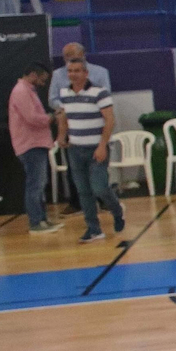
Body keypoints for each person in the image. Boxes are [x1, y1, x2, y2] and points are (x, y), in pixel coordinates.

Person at [56, 58, 125, 243]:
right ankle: (94, 229)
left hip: (96, 149)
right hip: (75, 149)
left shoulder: (100, 93)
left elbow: (110, 120)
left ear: (86, 73)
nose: (73, 74)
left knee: (100, 187)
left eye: (77, 70)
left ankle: (117, 210)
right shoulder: (64, 93)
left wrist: (102, 145)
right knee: (83, 191)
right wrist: (61, 135)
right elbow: (64, 116)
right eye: (70, 71)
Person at [9, 63, 60, 235]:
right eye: (42, 79)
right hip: (30, 144)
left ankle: (42, 219)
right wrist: (51, 118)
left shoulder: (28, 90)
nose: (43, 83)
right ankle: (36, 222)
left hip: (36, 142)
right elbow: (31, 118)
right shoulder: (21, 91)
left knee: (39, 183)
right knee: (35, 184)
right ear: (32, 74)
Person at [48, 43, 111, 110]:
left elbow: (106, 97)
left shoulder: (101, 72)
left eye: (72, 56)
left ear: (82, 55)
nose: (68, 59)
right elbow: (52, 99)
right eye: (66, 56)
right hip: (68, 116)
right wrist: (68, 108)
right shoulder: (57, 74)